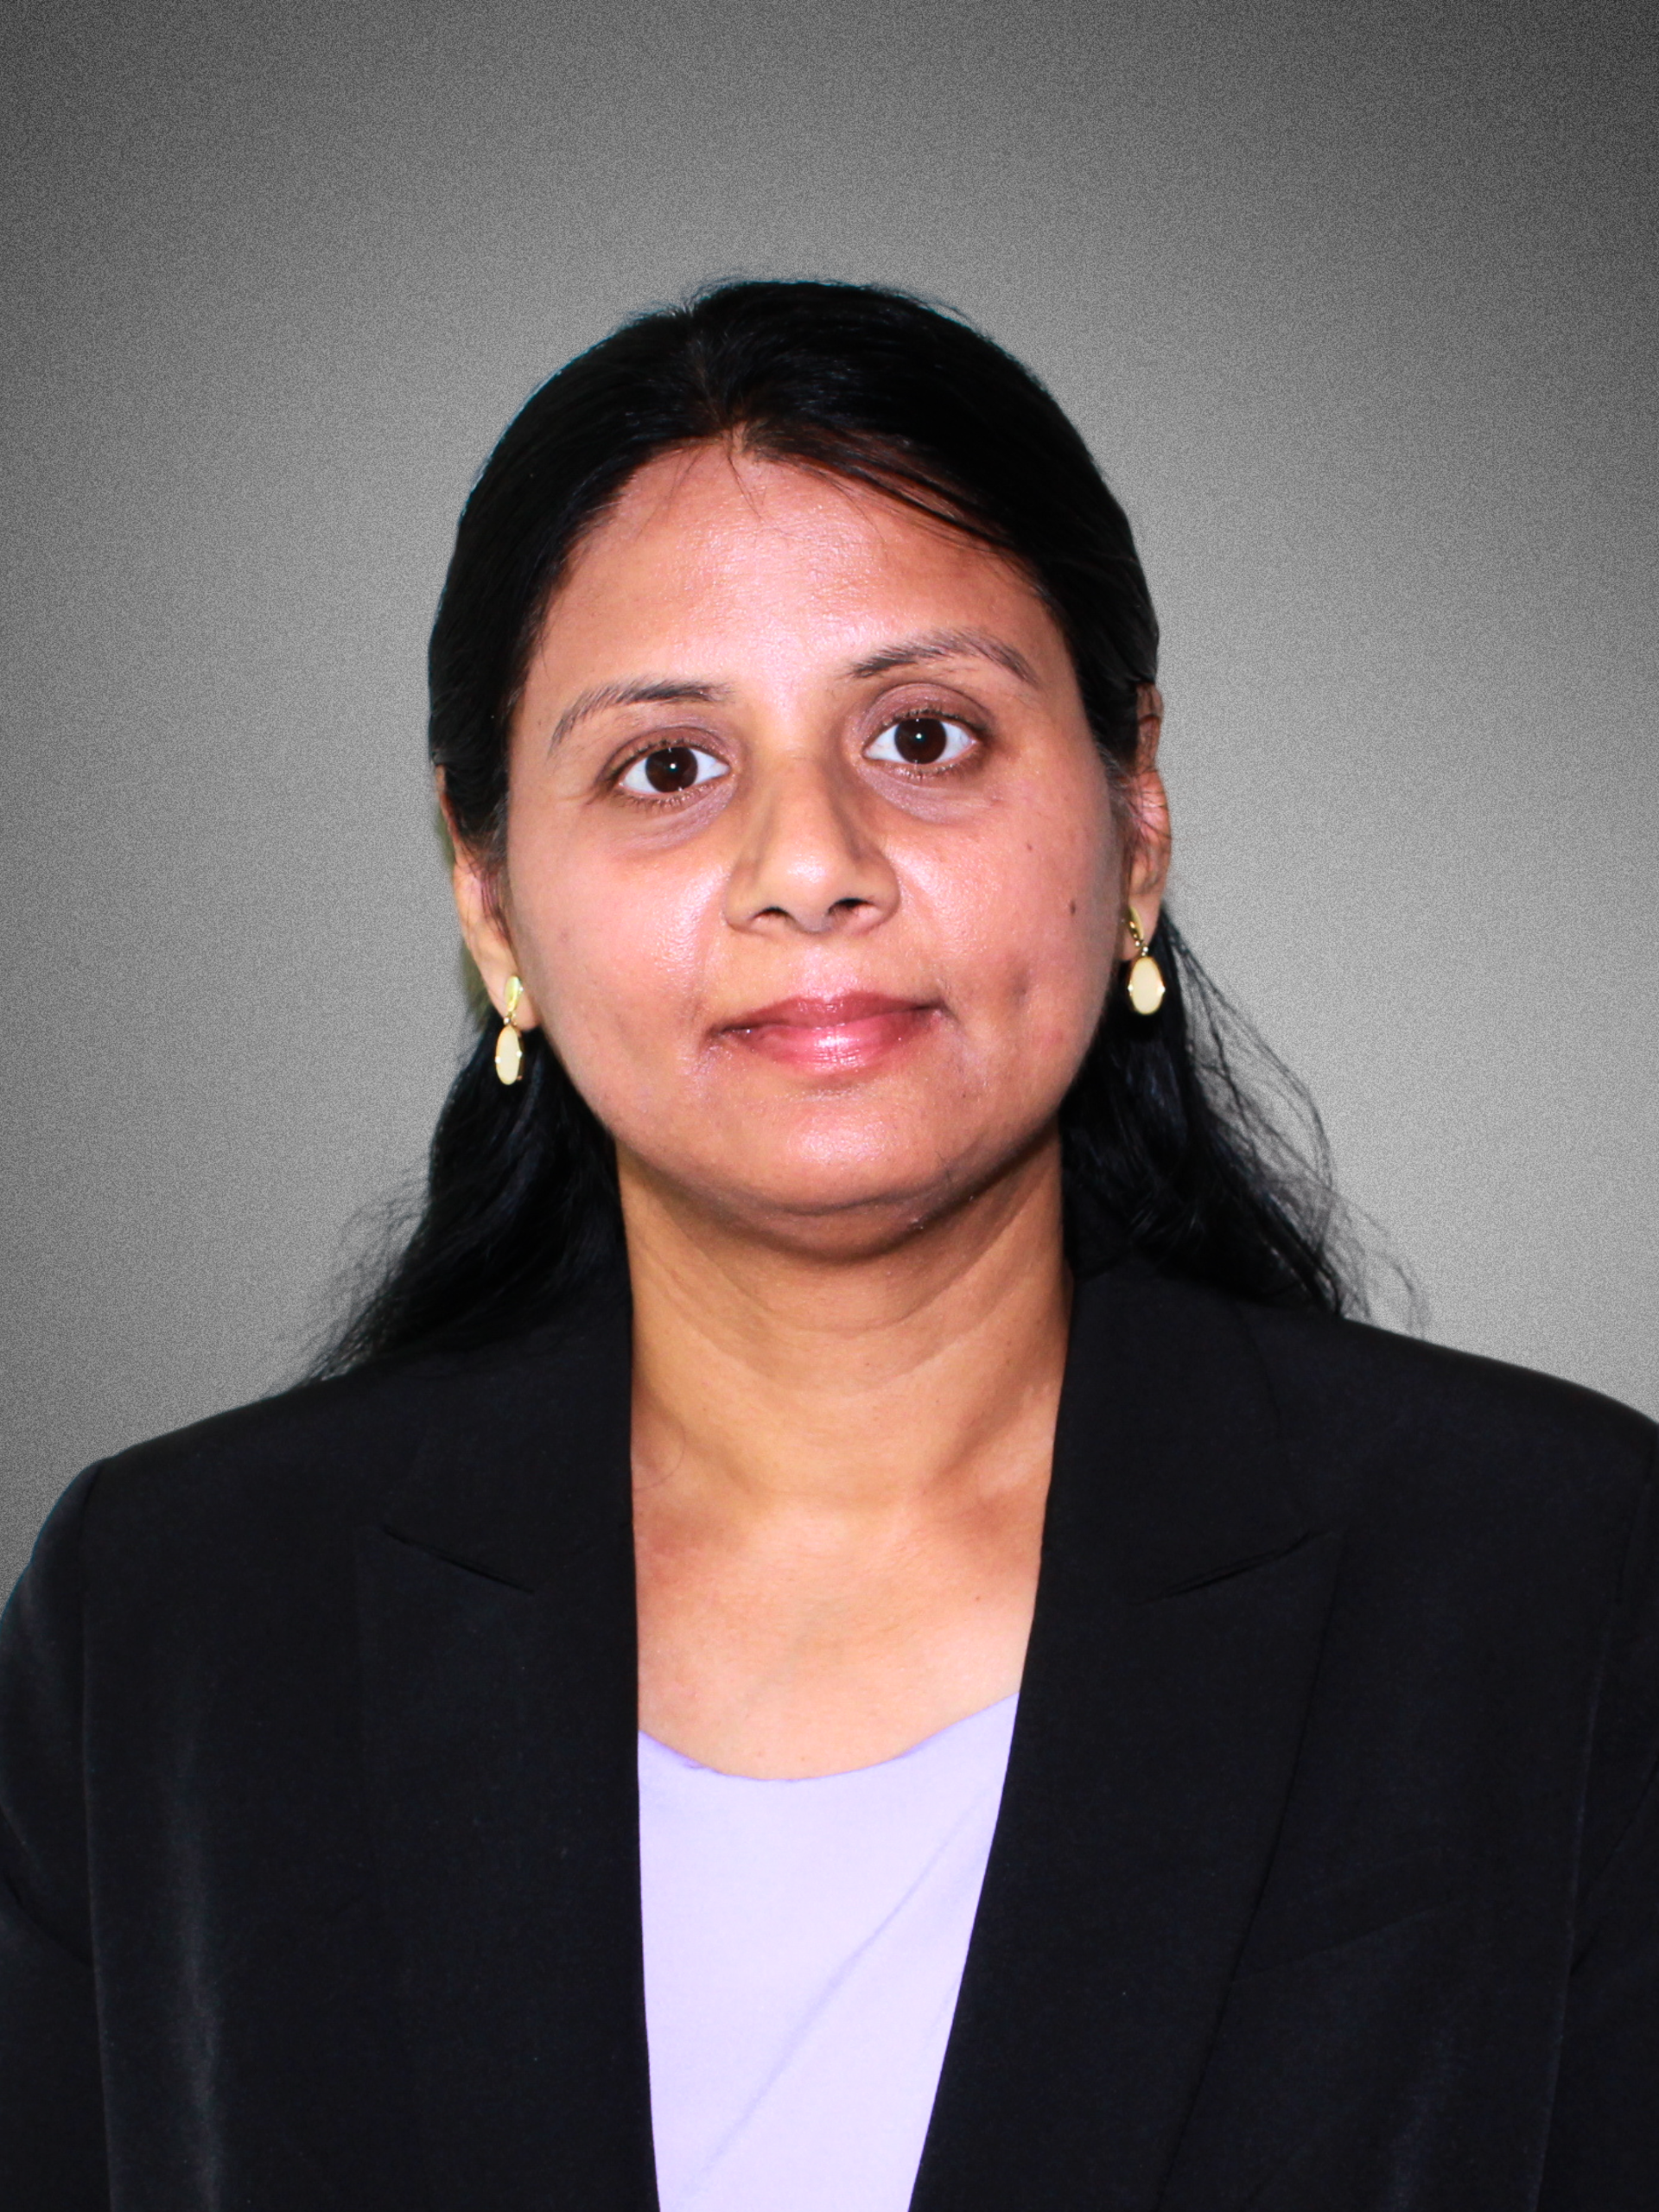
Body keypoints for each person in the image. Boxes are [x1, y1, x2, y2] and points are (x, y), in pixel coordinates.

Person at [1, 281, 1654, 2212]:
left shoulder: (1565, 1582)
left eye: (927, 733)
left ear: (1135, 819)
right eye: (667, 768)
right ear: (491, 896)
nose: (811, 863)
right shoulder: (173, 1629)